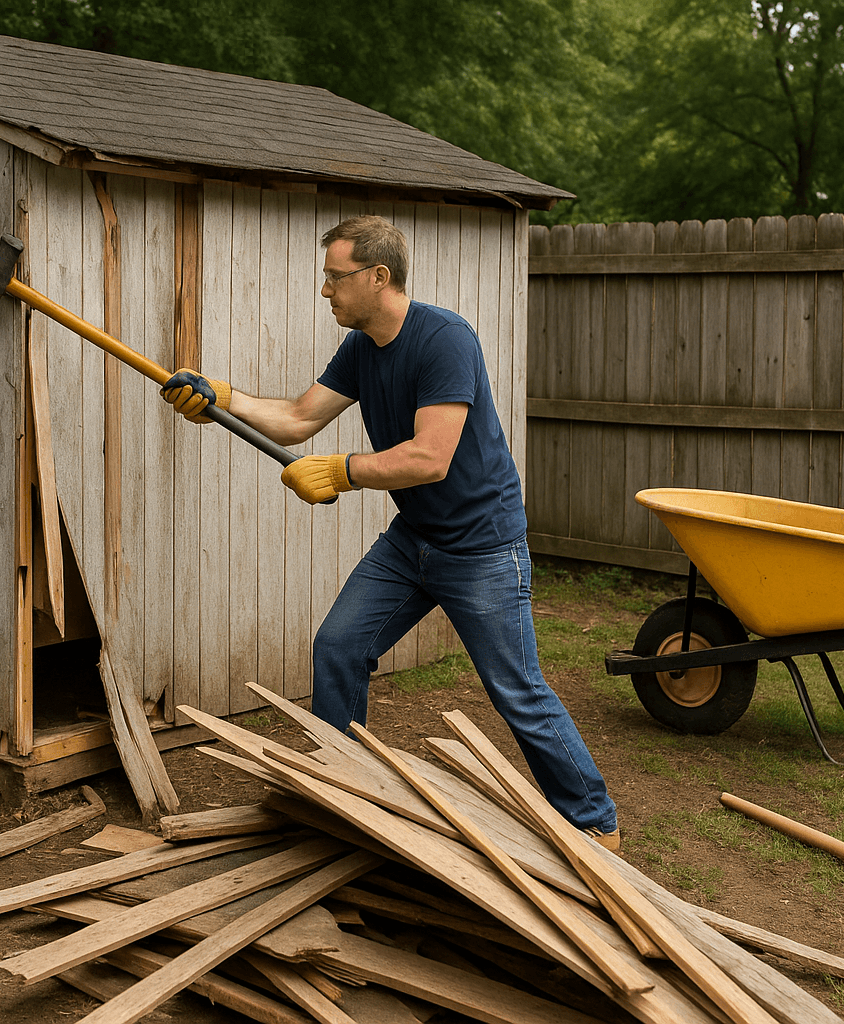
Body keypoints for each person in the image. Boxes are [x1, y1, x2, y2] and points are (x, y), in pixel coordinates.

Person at [160, 215, 619, 849]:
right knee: (339, 647)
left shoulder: (444, 340)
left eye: (335, 276)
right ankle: (342, 796)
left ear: (378, 277)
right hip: (414, 539)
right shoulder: (361, 348)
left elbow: (431, 457)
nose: (325, 290)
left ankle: (594, 823)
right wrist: (222, 397)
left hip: (481, 545)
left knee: (516, 690)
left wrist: (343, 472)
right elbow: (296, 419)